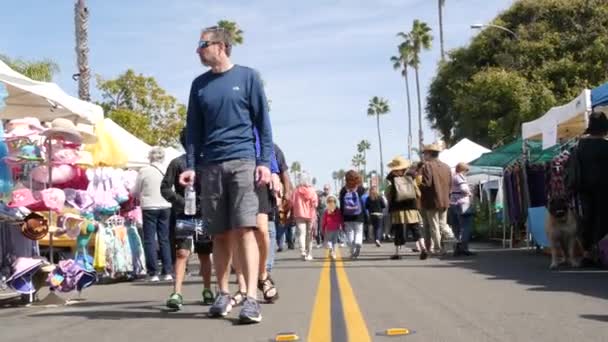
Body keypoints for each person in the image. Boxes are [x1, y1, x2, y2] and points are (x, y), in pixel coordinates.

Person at [180, 25, 272, 324]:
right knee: (218, 233)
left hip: (244, 161)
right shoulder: (199, 85)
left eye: (202, 44)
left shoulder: (248, 77)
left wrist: (264, 161)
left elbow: (263, 122)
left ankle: (251, 299)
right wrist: (191, 165)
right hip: (210, 165)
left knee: (246, 228)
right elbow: (193, 128)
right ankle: (222, 293)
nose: (198, 50)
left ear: (221, 46)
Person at [161, 129, 214, 310]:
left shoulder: (207, 163)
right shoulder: (177, 163)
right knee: (182, 253)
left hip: (203, 214)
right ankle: (176, 293)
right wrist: (181, 202)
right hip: (185, 215)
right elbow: (165, 188)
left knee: (204, 253)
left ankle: (207, 290)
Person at [568, 111, 608, 266]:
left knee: (586, 220)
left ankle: (587, 254)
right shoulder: (606, 147)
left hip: (583, 187)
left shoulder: (580, 146)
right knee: (602, 220)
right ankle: (600, 253)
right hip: (604, 188)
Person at [133, 147, 173, 282]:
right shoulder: (167, 170)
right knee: (164, 238)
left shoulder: (144, 171)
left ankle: (153, 272)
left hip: (149, 206)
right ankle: (167, 271)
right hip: (166, 205)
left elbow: (135, 191)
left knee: (149, 239)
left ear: (150, 157)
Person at [385, 156, 428, 260]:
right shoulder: (411, 178)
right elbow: (418, 193)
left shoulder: (391, 180)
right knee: (416, 228)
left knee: (398, 230)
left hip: (397, 209)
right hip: (411, 208)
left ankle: (397, 253)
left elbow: (388, 195)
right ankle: (423, 248)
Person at [419, 143, 454, 255]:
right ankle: (450, 243)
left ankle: (438, 248)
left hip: (432, 201)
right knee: (443, 225)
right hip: (445, 200)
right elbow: (450, 185)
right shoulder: (447, 167)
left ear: (429, 153)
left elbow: (427, 183)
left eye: (425, 153)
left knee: (434, 226)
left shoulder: (427, 166)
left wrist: (418, 184)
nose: (424, 156)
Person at [449, 162, 476, 256]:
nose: (466, 173)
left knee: (456, 227)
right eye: (466, 171)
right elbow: (463, 188)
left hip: (453, 203)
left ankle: (457, 247)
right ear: (463, 170)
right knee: (465, 226)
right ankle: (463, 247)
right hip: (462, 204)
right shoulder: (460, 176)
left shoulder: (452, 177)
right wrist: (470, 193)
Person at [291, 172, 319, 260]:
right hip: (310, 215)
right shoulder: (312, 190)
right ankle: (309, 253)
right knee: (309, 235)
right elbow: (316, 204)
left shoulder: (296, 191)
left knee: (301, 234)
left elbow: (292, 202)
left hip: (299, 214)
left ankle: (302, 251)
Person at [339, 170, 366, 259]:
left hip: (347, 215)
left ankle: (352, 249)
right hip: (359, 214)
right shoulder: (360, 189)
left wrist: (342, 215)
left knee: (349, 232)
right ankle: (358, 242)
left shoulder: (343, 190)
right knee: (358, 231)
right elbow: (363, 202)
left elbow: (342, 204)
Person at [322, 195, 344, 260]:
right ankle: (333, 253)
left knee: (328, 240)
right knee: (335, 241)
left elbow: (324, 220)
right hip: (336, 228)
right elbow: (340, 219)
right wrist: (342, 226)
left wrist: (323, 228)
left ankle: (331, 249)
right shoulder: (338, 210)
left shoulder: (326, 211)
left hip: (329, 227)